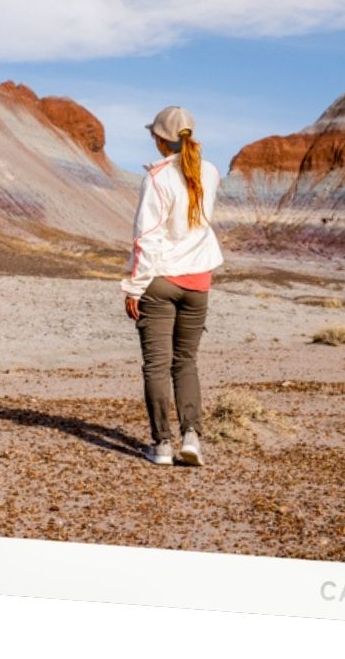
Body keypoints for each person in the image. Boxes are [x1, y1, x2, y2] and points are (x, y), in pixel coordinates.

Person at [122, 105, 224, 466]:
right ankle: (192, 438)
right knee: (186, 362)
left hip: (161, 281)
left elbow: (146, 238)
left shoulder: (157, 177)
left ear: (160, 139)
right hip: (199, 283)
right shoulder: (209, 172)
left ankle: (162, 444)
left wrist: (134, 287)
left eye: (154, 135)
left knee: (156, 365)